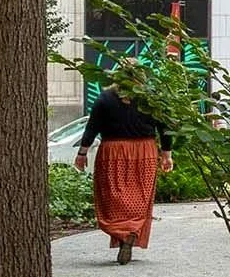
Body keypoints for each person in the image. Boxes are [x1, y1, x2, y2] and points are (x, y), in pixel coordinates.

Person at [73, 85, 173, 264]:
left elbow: (92, 127)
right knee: (140, 199)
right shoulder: (151, 97)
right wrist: (167, 154)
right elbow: (165, 127)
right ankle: (130, 232)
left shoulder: (105, 98)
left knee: (111, 198)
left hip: (113, 152)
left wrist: (82, 153)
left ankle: (122, 234)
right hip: (144, 151)